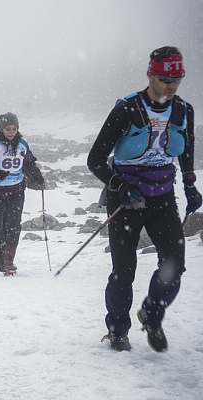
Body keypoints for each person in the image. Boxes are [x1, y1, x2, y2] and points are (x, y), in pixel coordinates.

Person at [87, 46, 202, 352]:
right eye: (165, 78)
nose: (172, 84)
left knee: (174, 266)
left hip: (162, 198)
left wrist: (190, 185)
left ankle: (151, 315)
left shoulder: (183, 110)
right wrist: (119, 185)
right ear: (151, 74)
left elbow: (186, 150)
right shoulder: (127, 109)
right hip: (126, 201)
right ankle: (117, 331)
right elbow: (95, 158)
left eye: (178, 78)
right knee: (123, 272)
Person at [0, 112, 45, 275]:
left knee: (14, 227)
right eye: (8, 129)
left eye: (14, 128)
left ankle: (9, 261)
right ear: (1, 129)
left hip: (16, 191)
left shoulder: (22, 144)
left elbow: (28, 163)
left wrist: (37, 176)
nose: (11, 132)